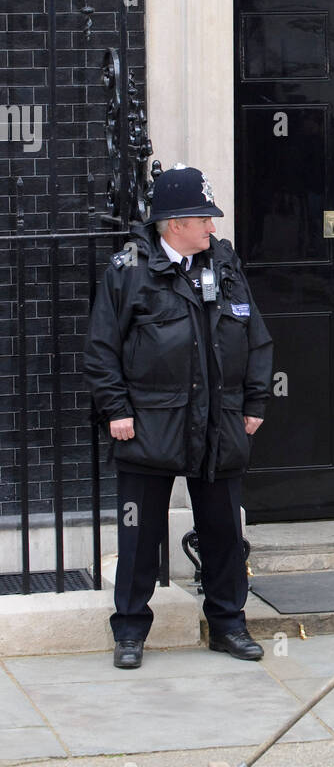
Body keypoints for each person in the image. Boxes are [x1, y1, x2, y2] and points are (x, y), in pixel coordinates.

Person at [84, 164, 274, 669]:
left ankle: (228, 625)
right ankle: (129, 630)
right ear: (174, 224)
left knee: (223, 533)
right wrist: (116, 409)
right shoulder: (128, 269)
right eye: (203, 219)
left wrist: (254, 402)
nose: (213, 227)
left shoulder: (225, 263)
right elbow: (102, 348)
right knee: (139, 533)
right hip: (149, 421)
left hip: (218, 419)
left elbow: (255, 336)